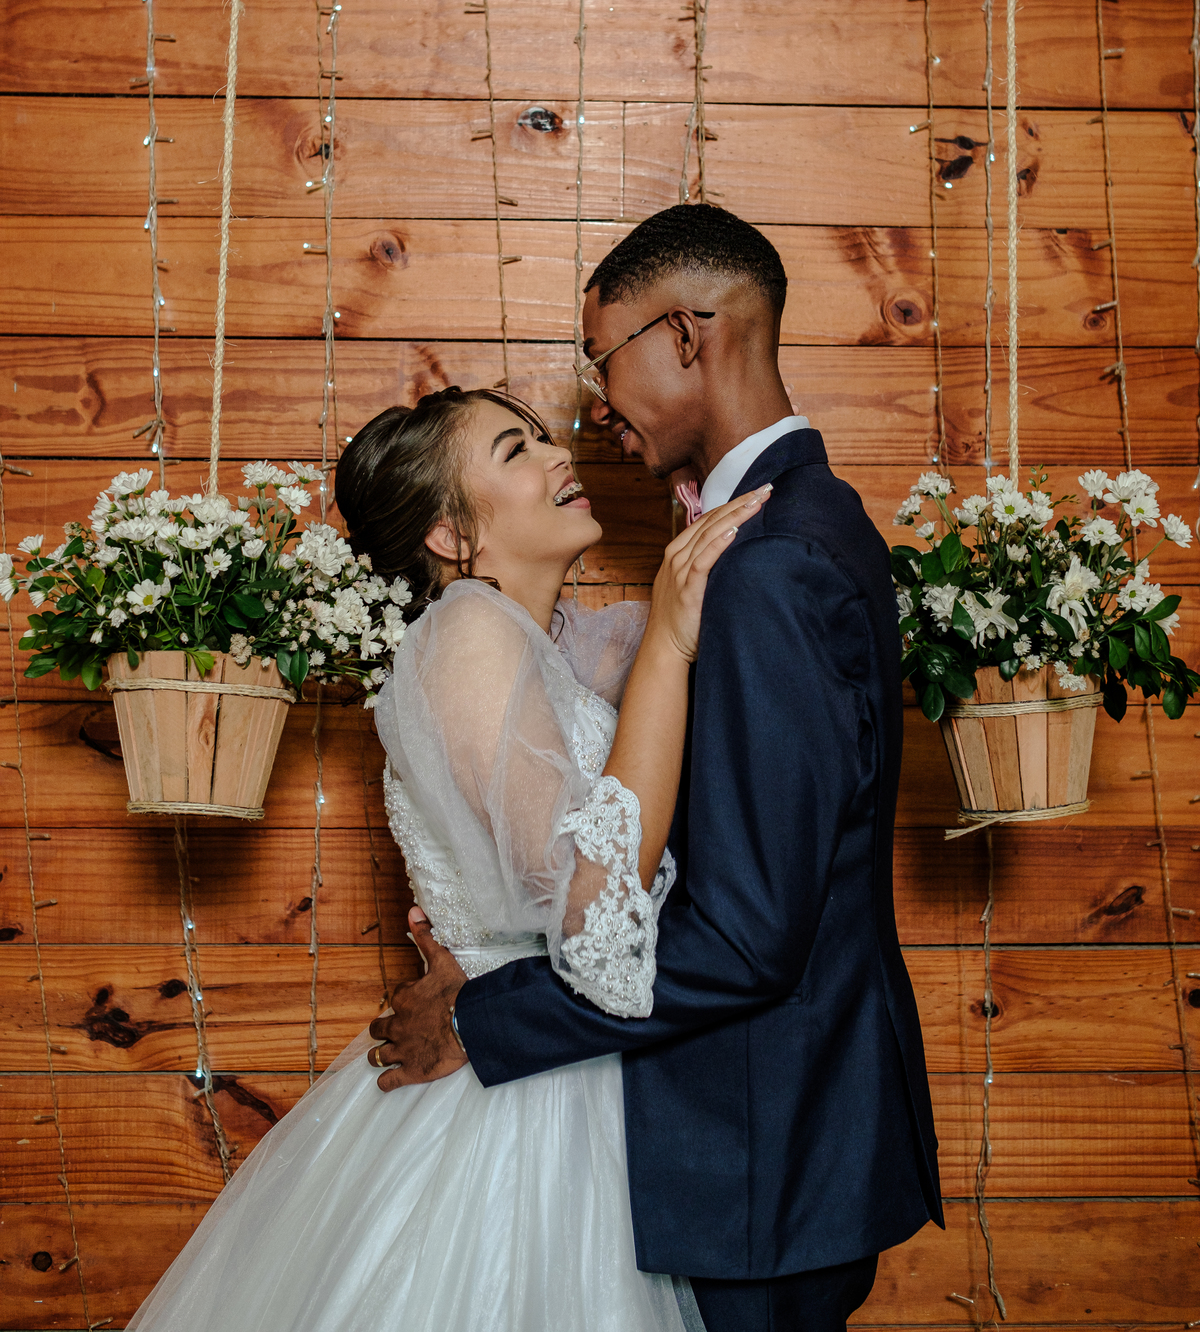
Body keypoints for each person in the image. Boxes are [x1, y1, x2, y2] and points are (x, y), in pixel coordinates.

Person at [370, 203, 943, 1332]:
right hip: (737, 1139)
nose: (589, 409)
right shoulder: (793, 529)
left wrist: (482, 1017)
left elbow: (744, 939)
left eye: (601, 358)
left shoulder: (765, 566)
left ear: (684, 335)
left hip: (757, 1150)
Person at [125, 380, 767, 1332]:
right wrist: (674, 639)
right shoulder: (467, 633)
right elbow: (594, 918)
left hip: (572, 1054)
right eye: (516, 450)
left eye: (543, 437)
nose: (558, 455)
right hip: (521, 1101)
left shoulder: (555, 647)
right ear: (450, 535)